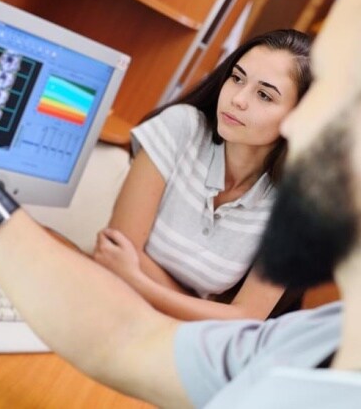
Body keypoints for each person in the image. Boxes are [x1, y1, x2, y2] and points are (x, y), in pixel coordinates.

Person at [0, 0, 361, 408]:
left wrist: (141, 279)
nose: (299, 127)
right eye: (238, 79)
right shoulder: (310, 341)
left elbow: (228, 318)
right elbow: (126, 332)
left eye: (332, 102)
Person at [93, 29, 312, 321]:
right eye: (237, 78)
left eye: (264, 95)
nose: (238, 99)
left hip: (181, 338)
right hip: (111, 300)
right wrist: (206, 308)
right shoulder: (181, 127)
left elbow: (247, 317)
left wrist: (139, 280)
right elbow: (118, 250)